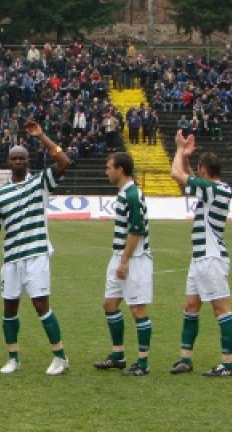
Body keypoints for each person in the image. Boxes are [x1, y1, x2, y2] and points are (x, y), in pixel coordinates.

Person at [0, 120, 72, 376]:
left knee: (40, 304)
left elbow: (64, 162)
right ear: (8, 162)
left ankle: (60, 356)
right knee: (9, 307)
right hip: (11, 257)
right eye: (14, 159)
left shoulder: (40, 182)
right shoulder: (0, 195)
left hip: (36, 254)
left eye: (22, 158)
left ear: (28, 161)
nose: (18, 162)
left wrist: (42, 136)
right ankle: (13, 358)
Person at [167, 133, 232, 377]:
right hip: (200, 258)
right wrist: (187, 157)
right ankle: (186, 359)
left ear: (204, 170)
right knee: (191, 306)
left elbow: (178, 176)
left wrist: (177, 150)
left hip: (211, 257)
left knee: (221, 309)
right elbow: (191, 179)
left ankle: (228, 364)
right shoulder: (214, 189)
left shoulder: (214, 190)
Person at [95, 152, 153, 376]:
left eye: (109, 167)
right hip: (119, 256)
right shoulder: (124, 194)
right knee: (110, 304)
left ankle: (143, 363)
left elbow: (136, 229)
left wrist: (125, 261)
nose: (106, 171)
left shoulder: (132, 195)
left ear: (120, 170)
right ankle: (118, 355)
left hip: (134, 260)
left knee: (138, 309)